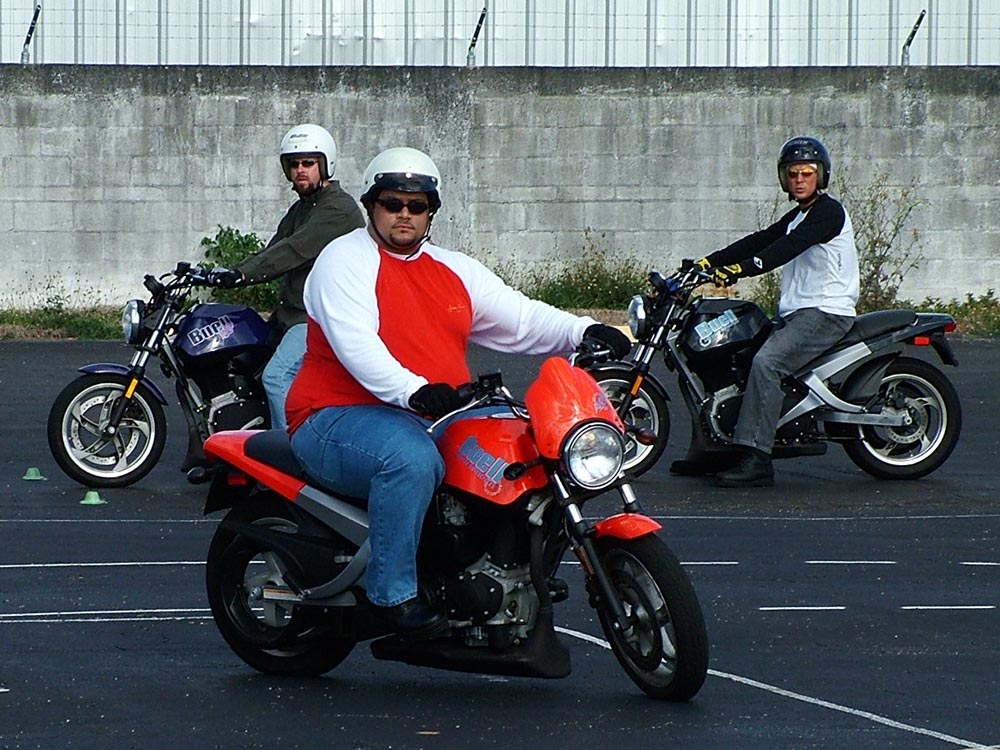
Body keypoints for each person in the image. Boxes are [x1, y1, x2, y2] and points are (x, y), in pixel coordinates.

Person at [284, 146, 631, 638]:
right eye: (392, 203)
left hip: (431, 413)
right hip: (334, 415)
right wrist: (415, 391)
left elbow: (520, 316)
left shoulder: (453, 269)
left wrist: (583, 330)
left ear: (432, 211)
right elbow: (357, 344)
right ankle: (391, 597)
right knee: (410, 460)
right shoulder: (343, 259)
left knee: (522, 451)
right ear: (371, 205)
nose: (404, 214)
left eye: (417, 205)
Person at [679, 135, 859, 488]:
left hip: (826, 313)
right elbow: (761, 240)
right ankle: (716, 449)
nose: (799, 179)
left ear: (821, 175)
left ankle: (757, 458)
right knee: (740, 356)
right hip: (799, 313)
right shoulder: (798, 216)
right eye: (792, 173)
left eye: (807, 172)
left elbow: (784, 249)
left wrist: (740, 270)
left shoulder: (828, 212)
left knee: (767, 363)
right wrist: (708, 262)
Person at [215, 123, 365, 431]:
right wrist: (222, 273)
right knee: (242, 362)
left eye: (308, 163)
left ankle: (287, 451)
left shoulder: (338, 209)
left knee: (276, 377)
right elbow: (272, 250)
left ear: (325, 165)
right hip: (290, 315)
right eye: (294, 164)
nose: (300, 170)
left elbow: (293, 250)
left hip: (316, 319)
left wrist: (240, 275)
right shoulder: (302, 208)